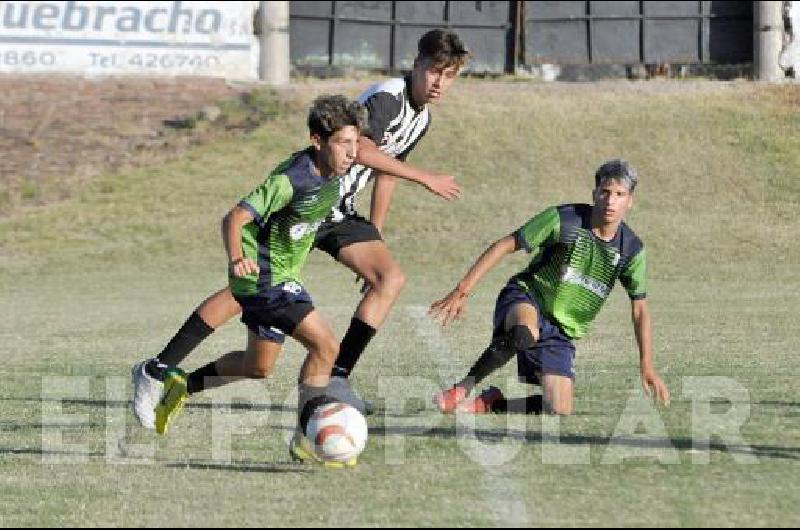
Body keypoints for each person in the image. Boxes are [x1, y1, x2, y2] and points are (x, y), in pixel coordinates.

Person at [132, 29, 470, 425]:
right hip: (309, 200)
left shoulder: (421, 119)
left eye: (449, 76)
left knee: (389, 279)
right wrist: (425, 176)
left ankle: (337, 381)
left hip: (339, 210)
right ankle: (157, 369)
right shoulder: (388, 97)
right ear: (417, 64)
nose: (438, 83)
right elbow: (363, 149)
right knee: (246, 289)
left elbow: (386, 173)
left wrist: (375, 232)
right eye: (434, 71)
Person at [141, 95, 368, 468]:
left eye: (356, 143)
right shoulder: (292, 179)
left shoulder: (332, 177)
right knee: (326, 347)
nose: (352, 152)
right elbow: (234, 218)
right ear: (317, 140)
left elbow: (301, 228)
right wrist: (237, 258)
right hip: (267, 280)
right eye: (344, 143)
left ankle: (183, 386)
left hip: (281, 276)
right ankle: (306, 437)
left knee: (257, 367)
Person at [430, 159, 670, 415]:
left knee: (559, 410)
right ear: (595, 194)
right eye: (605, 192)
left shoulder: (631, 250)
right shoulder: (565, 219)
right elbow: (505, 244)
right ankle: (462, 388)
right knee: (525, 333)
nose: (611, 201)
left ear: (630, 201)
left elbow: (640, 310)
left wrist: (647, 364)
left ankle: (493, 404)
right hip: (527, 297)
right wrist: (463, 290)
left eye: (620, 195)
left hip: (561, 331)